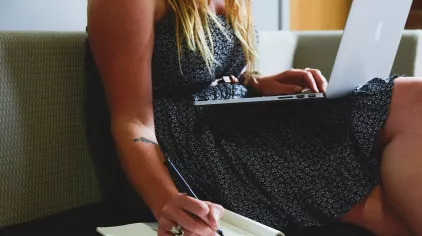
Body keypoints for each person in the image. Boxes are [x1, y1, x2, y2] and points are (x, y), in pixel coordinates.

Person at [85, 0, 422, 235]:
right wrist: (167, 203)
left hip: (235, 117)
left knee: (413, 99)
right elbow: (132, 121)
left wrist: (257, 83)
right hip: (194, 144)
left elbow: (210, 69)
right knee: (387, 202)